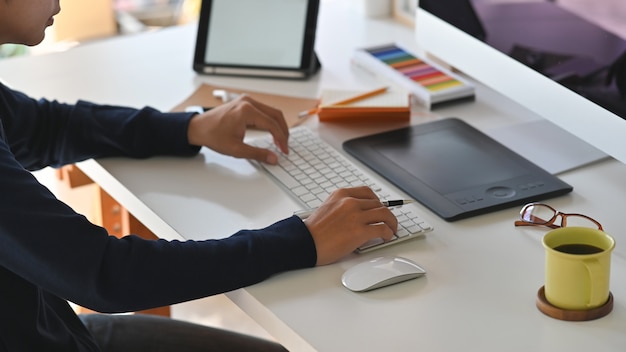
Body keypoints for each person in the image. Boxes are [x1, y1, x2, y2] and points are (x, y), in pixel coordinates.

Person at [0, 0, 398, 351]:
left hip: (52, 329)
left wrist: (190, 128)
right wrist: (302, 241)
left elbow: (43, 128)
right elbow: (106, 275)